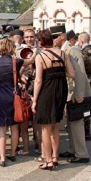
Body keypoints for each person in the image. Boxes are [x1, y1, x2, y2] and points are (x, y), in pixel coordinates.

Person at [32, 29, 75, 170]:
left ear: (40, 42)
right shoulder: (62, 53)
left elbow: (38, 81)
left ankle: (48, 160)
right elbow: (72, 74)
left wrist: (34, 100)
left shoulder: (40, 56)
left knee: (45, 127)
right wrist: (59, 74)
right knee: (56, 124)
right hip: (61, 89)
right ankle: (55, 156)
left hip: (47, 91)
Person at [0, 39, 35, 167]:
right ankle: (12, 154)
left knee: (2, 128)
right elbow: (30, 61)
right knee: (14, 127)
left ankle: (2, 157)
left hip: (0, 96)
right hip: (14, 96)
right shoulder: (16, 62)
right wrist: (35, 50)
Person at [60, 31, 91, 164]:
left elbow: (80, 72)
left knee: (77, 123)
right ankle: (74, 150)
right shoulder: (65, 49)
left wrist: (79, 93)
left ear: (61, 36)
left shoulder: (73, 50)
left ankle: (82, 153)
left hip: (76, 93)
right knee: (71, 123)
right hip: (70, 93)